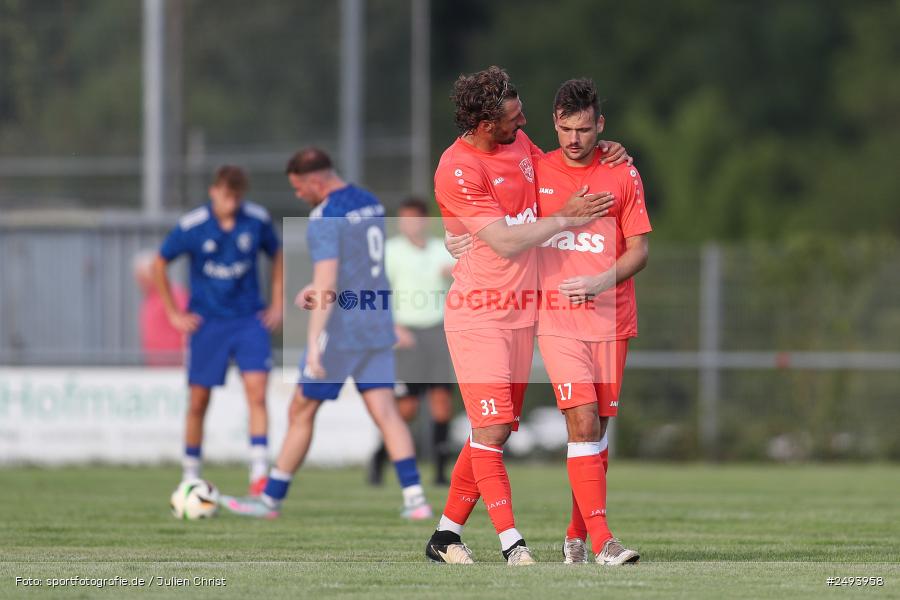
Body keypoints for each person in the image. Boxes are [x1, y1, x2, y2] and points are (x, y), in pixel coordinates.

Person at [425, 66, 629, 565]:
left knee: (492, 431)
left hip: (523, 313)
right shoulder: (457, 168)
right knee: (490, 432)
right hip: (480, 312)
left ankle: (446, 535)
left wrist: (610, 154)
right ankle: (512, 543)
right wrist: (565, 219)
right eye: (515, 119)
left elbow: (563, 170)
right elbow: (506, 239)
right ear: (485, 123)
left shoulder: (519, 145)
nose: (525, 123)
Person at [221, 148, 432, 520]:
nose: (299, 196)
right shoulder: (370, 202)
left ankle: (270, 500)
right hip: (376, 319)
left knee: (301, 407)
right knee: (386, 411)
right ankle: (416, 500)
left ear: (315, 181)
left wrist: (316, 344)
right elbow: (357, 268)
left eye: (299, 188)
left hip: (343, 327)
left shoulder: (325, 215)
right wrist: (314, 287)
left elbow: (329, 279)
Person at [537, 78, 649, 565]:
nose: (574, 139)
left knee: (597, 435)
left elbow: (640, 251)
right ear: (554, 123)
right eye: (565, 128)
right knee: (581, 422)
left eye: (584, 129)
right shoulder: (534, 169)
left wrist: (601, 281)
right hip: (557, 319)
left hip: (611, 319)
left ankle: (575, 536)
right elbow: (513, 232)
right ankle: (605, 543)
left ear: (599, 125)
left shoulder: (623, 172)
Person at [153, 165, 283, 495]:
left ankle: (258, 476)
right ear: (214, 191)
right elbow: (159, 263)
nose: (232, 202)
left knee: (257, 392)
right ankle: (190, 474)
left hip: (248, 320)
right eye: (227, 195)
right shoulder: (194, 225)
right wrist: (173, 312)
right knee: (198, 400)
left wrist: (277, 304)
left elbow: (277, 254)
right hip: (207, 322)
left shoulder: (256, 219)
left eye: (238, 196)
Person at [368, 197, 457, 487]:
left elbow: (463, 276)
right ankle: (380, 458)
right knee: (407, 409)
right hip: (406, 334)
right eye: (404, 219)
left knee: (441, 403)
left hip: (439, 332)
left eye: (414, 219)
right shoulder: (391, 252)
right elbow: (378, 292)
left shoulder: (441, 249)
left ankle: (441, 473)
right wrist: (391, 327)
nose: (409, 224)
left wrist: (456, 272)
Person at [133, 249, 188, 366]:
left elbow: (187, 330)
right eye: (139, 278)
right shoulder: (148, 300)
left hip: (175, 367)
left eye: (143, 277)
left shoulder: (174, 295)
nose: (140, 282)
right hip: (157, 368)